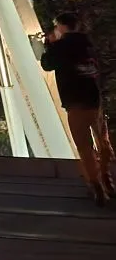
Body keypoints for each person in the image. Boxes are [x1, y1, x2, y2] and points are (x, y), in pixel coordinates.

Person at [40, 12, 114, 206]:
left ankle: (96, 186)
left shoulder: (60, 47)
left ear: (61, 27)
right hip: (94, 101)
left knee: (85, 147)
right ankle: (108, 179)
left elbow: (47, 64)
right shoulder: (89, 45)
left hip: (75, 103)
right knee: (103, 142)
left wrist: (49, 46)